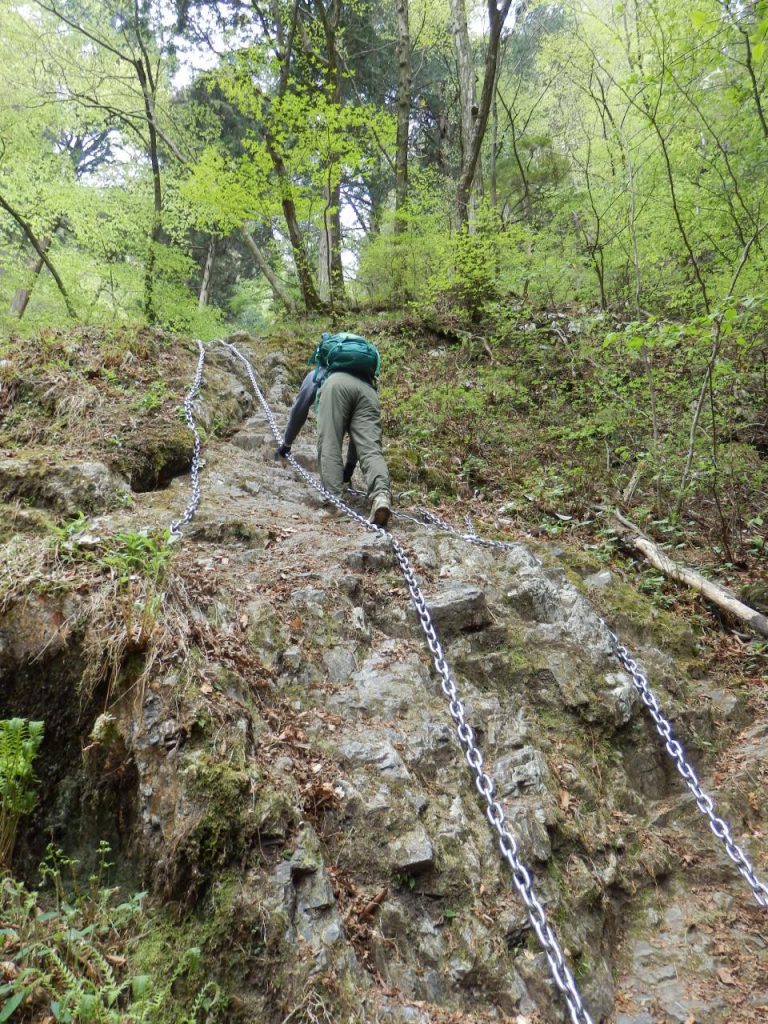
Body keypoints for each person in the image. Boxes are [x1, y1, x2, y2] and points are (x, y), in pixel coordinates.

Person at [275, 342, 392, 528]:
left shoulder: (321, 371)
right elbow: (360, 440)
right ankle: (381, 497)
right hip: (368, 393)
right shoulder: (364, 377)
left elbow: (300, 408)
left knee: (330, 441)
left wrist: (287, 443)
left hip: (335, 388)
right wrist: (350, 466)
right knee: (372, 449)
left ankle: (334, 504)